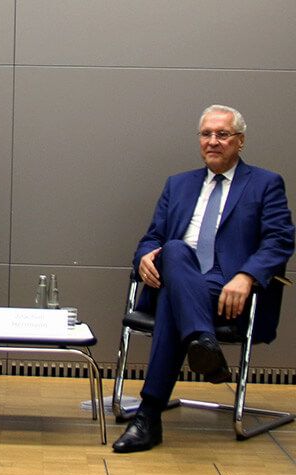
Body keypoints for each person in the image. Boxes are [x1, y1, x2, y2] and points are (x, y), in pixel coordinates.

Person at [114, 105, 295, 453]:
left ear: (239, 141)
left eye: (222, 134)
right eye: (206, 134)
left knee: (172, 292)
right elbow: (151, 238)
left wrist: (246, 276)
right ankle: (202, 341)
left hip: (229, 293)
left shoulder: (265, 184)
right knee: (176, 251)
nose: (213, 141)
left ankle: (148, 416)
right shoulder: (178, 184)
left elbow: (280, 240)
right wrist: (145, 258)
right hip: (179, 277)